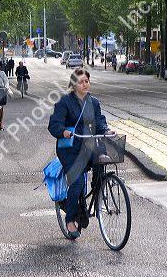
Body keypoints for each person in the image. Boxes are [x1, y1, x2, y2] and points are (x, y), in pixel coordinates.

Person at [48, 68, 114, 239]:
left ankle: (98, 191)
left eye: (87, 81)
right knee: (76, 183)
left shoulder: (94, 102)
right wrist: (63, 131)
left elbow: (100, 122)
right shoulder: (64, 102)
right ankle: (70, 219)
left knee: (102, 162)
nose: (85, 84)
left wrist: (106, 130)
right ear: (73, 85)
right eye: (81, 82)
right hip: (69, 149)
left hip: (88, 146)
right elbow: (54, 124)